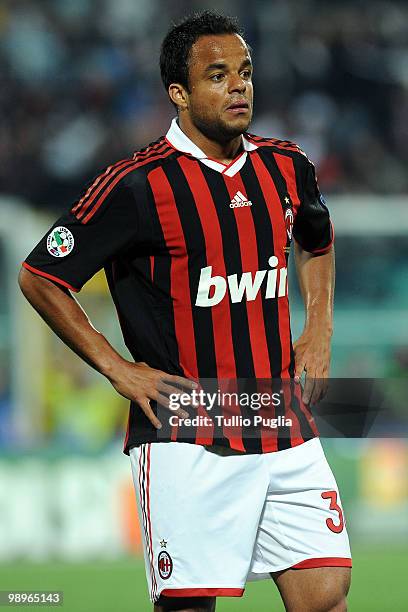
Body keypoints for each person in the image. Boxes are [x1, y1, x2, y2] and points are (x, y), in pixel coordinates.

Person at [19, 10, 351, 612]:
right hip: (185, 434)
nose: (239, 86)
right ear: (179, 93)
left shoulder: (286, 165)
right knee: (190, 608)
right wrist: (117, 368)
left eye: (245, 73)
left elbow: (317, 238)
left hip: (279, 417)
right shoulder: (135, 186)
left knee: (326, 595)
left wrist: (320, 327)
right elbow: (40, 276)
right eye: (218, 75)